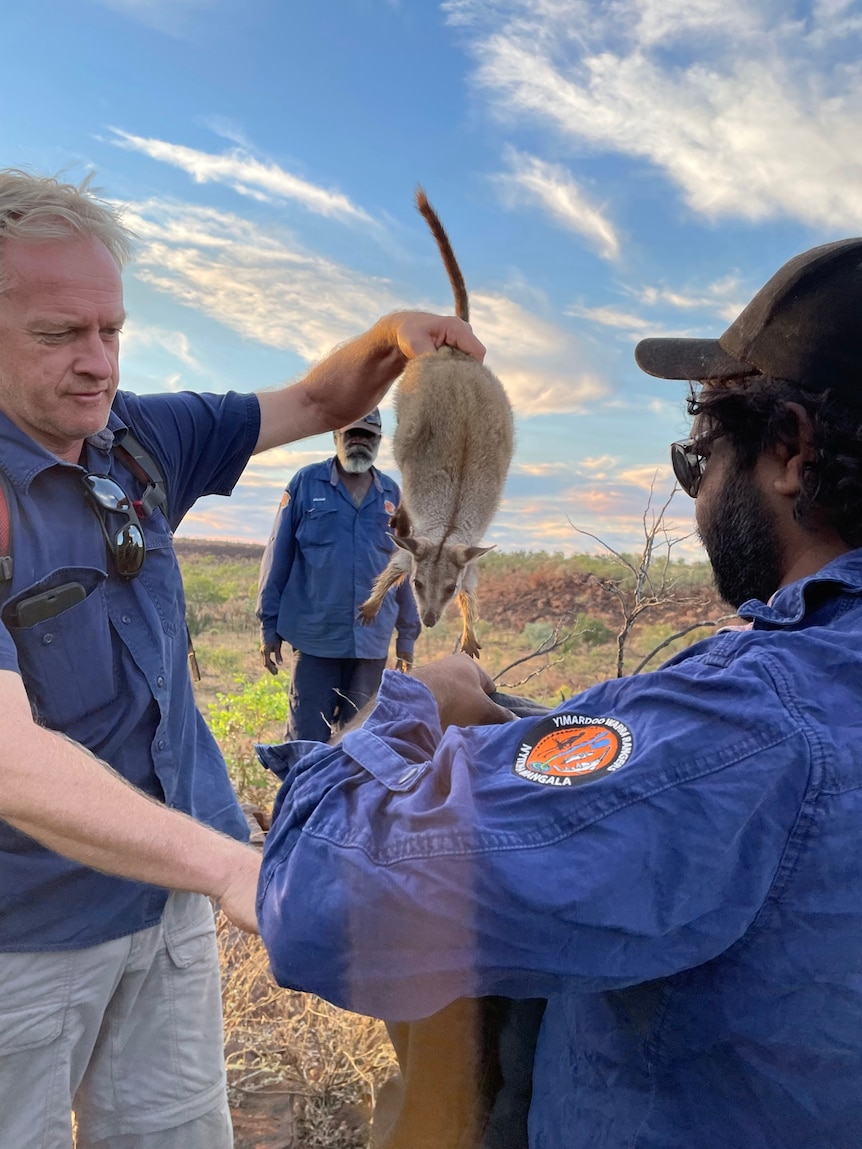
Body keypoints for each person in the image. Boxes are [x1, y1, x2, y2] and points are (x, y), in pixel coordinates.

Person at [257, 237, 862, 1148]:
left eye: (699, 455)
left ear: (788, 451)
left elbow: (321, 892)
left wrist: (419, 707)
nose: (698, 492)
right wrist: (531, 732)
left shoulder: (757, 718)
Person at [0, 168, 484, 1149]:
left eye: (112, 330)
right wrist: (230, 868)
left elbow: (314, 395)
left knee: (178, 1132)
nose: (98, 363)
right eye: (59, 335)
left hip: (164, 902)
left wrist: (392, 339)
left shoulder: (134, 440)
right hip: (23, 935)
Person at [257, 407, 420, 742]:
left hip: (371, 646)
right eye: (351, 435)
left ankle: (348, 796)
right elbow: (278, 556)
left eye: (367, 437)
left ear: (378, 441)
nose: (359, 443)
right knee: (307, 743)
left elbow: (406, 570)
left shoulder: (394, 496)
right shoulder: (305, 484)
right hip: (316, 640)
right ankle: (302, 796)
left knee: (361, 743)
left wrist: (407, 638)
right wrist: (268, 626)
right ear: (336, 437)